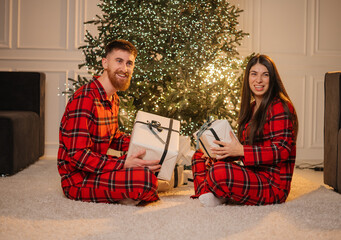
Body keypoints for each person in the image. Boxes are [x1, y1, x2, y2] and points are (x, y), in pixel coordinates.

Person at [58, 39, 161, 205]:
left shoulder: (113, 98)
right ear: (105, 63)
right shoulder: (85, 99)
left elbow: (113, 137)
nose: (124, 69)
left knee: (150, 164)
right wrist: (123, 164)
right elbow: (78, 156)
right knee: (146, 181)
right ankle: (130, 190)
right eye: (119, 61)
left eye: (129, 63)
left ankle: (127, 189)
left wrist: (143, 144)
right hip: (78, 180)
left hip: (98, 171)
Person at [192, 54, 298, 206]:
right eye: (254, 74)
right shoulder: (252, 108)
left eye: (265, 75)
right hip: (252, 174)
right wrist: (222, 155)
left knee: (219, 171)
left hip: (272, 185)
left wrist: (241, 151)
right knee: (200, 156)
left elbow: (282, 150)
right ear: (248, 77)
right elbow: (246, 152)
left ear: (272, 79)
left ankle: (212, 193)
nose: (258, 80)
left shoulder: (280, 106)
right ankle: (215, 193)